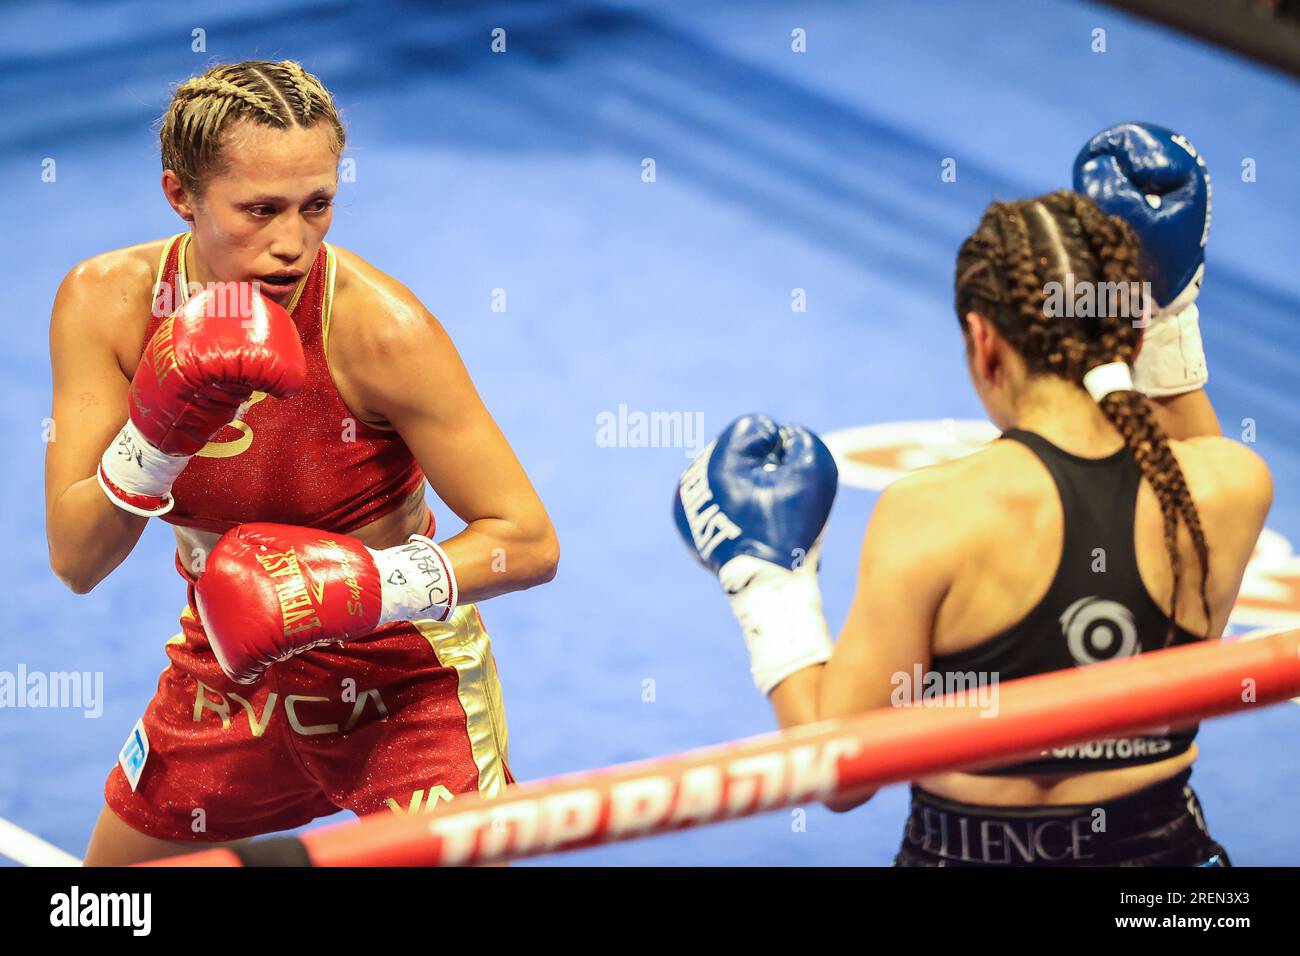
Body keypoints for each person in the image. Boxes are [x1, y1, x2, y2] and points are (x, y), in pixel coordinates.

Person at [674, 124, 1272, 866]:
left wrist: (766, 583)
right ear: (1135, 336)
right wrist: (1172, 308)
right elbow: (1186, 447)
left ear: (984, 342)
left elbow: (839, 771)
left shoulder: (935, 515)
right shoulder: (1230, 487)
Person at [45, 60, 559, 866]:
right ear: (180, 195)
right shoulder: (105, 306)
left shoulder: (381, 332)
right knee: (108, 908)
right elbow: (77, 560)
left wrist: (357, 586)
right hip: (231, 672)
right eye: (259, 210)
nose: (292, 244)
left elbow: (527, 541)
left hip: (400, 684)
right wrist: (162, 436)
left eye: (316, 205)